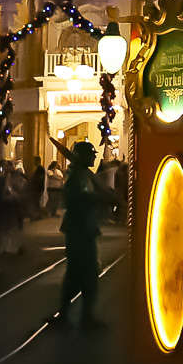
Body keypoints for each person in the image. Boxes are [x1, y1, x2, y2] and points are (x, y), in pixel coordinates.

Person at [52, 139, 110, 330]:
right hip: (80, 230)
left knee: (77, 274)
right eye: (91, 154)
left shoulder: (82, 175)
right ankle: (83, 317)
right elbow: (77, 199)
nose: (94, 157)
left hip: (83, 228)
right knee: (86, 274)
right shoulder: (77, 177)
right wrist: (100, 197)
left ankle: (72, 314)